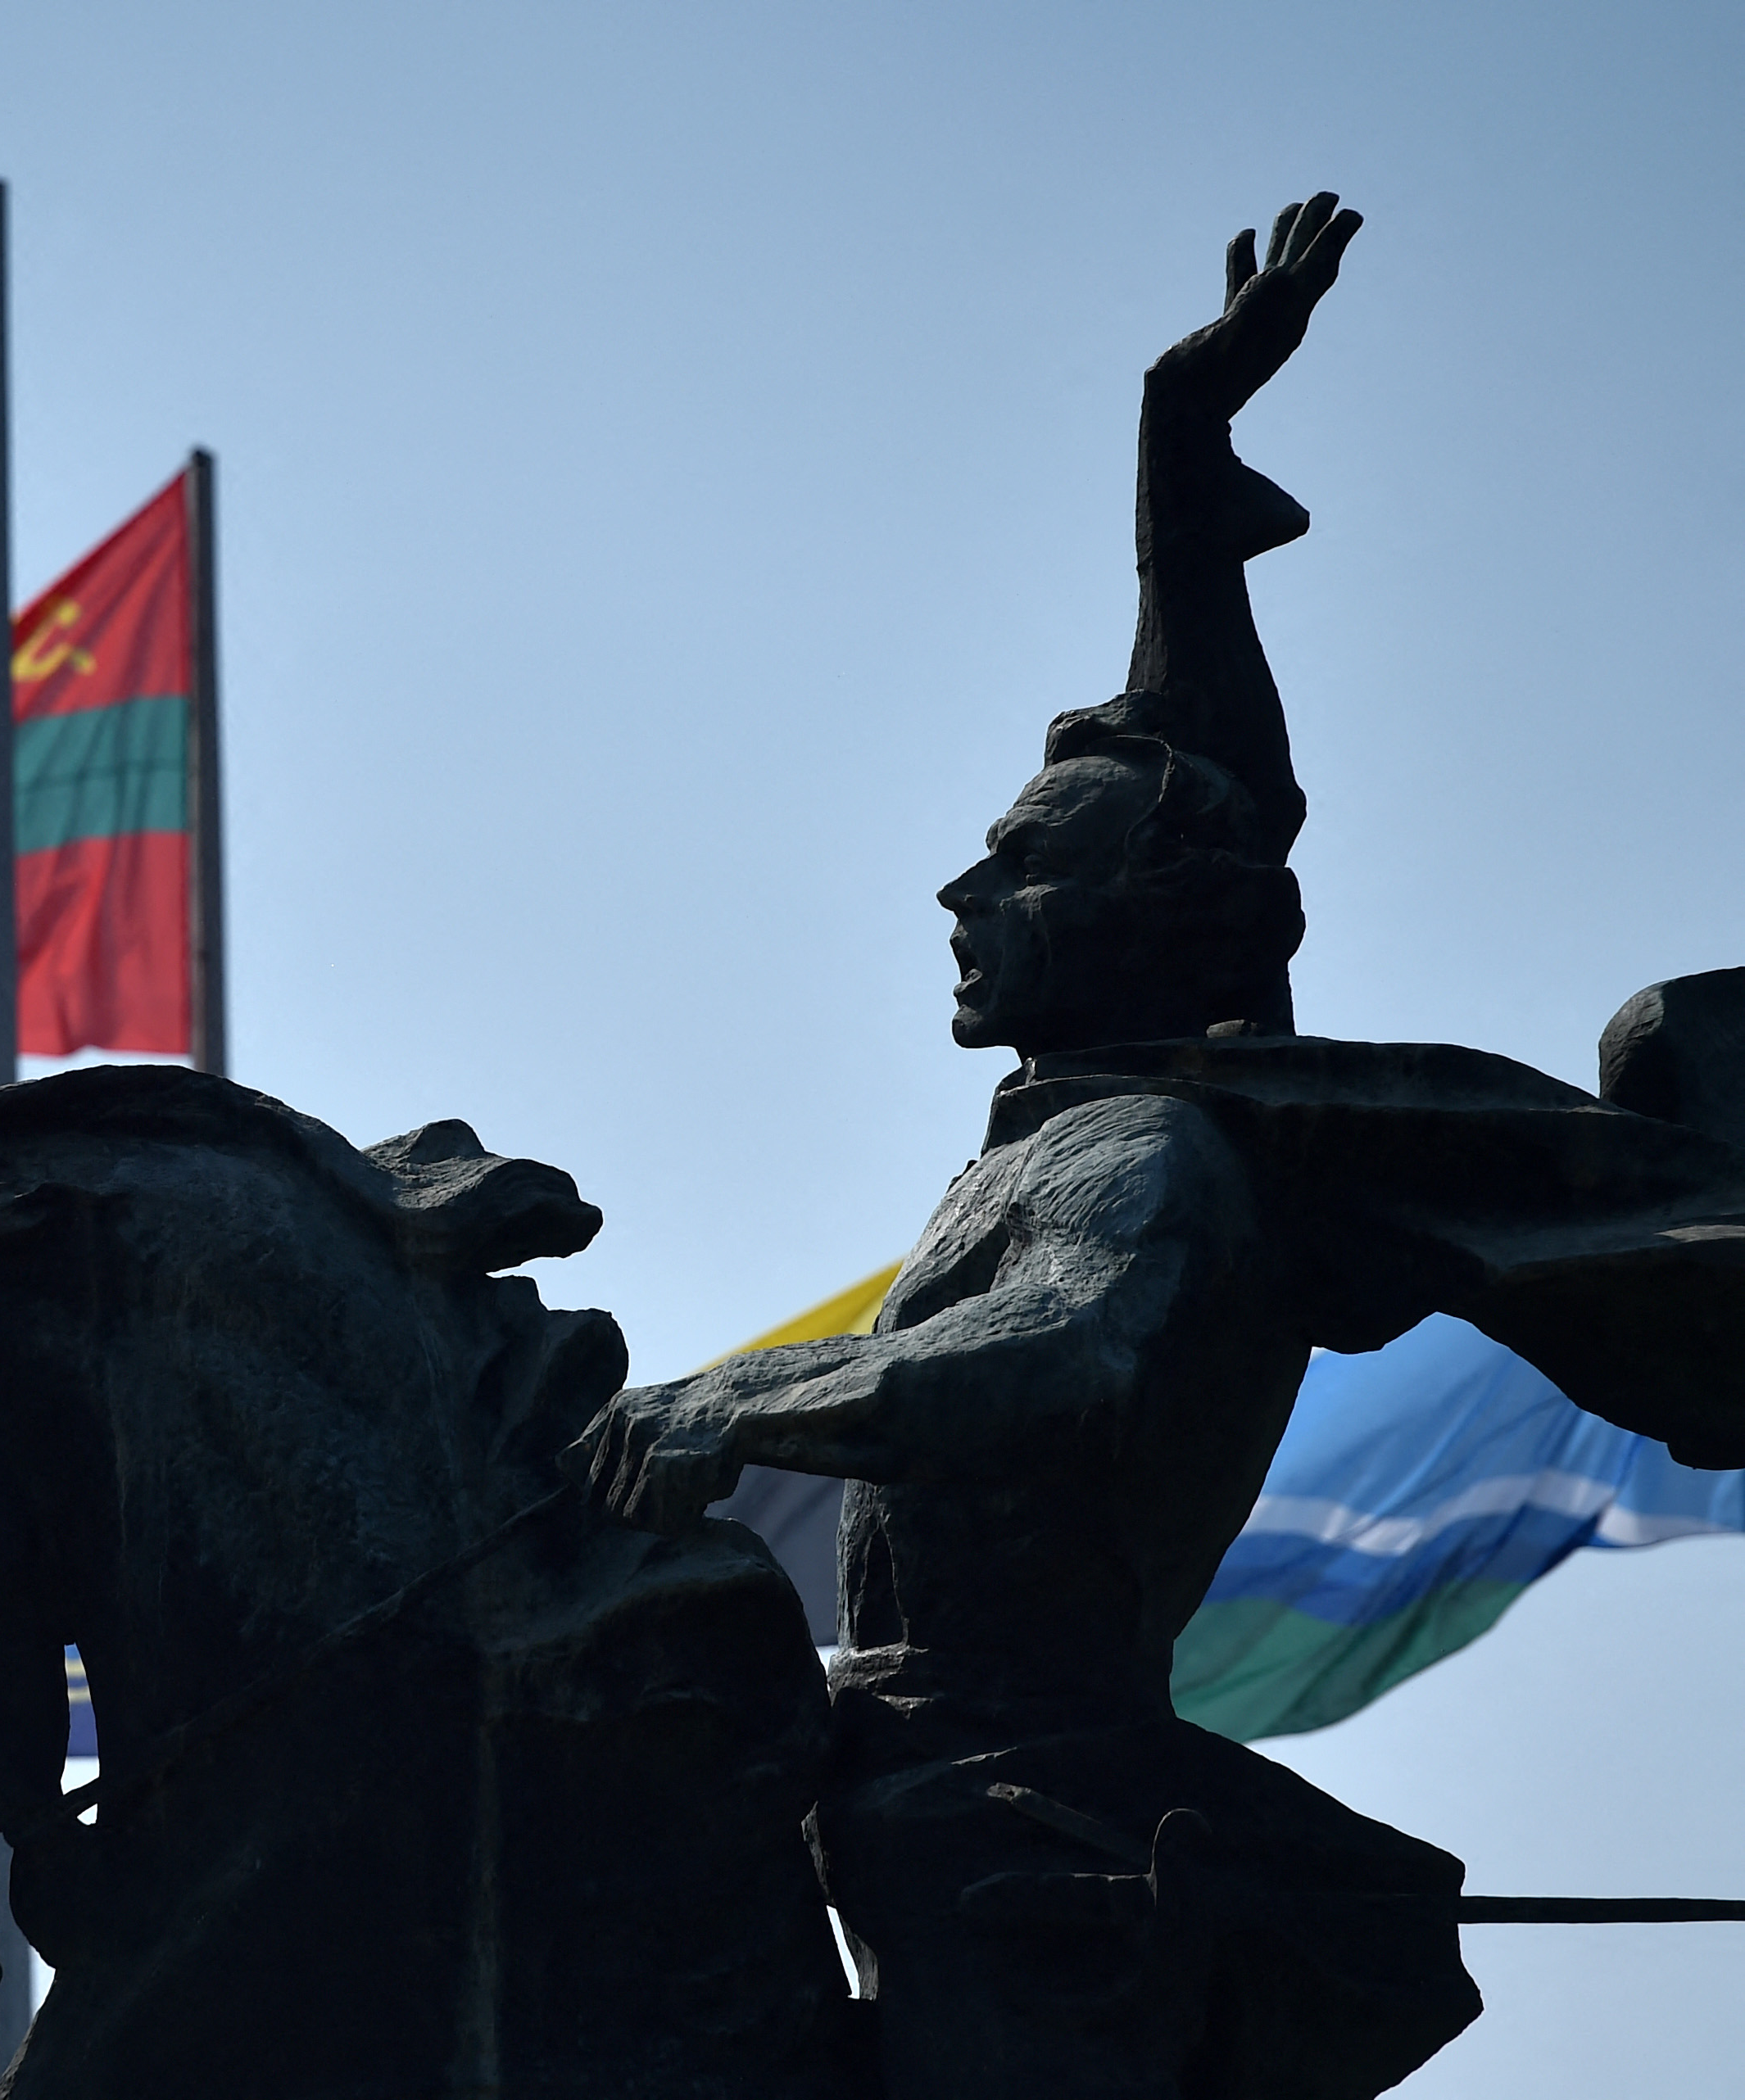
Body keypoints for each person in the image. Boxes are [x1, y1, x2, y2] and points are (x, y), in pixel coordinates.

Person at [583, 197, 1512, 2100]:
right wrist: (1179, 455)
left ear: (1138, 916)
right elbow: (1201, 734)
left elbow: (1058, 1355)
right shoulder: (1056, 1132)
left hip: (1015, 1811)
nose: (961, 886)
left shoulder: (1151, 1154)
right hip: (885, 1758)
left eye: (1020, 864)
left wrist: (741, 1400)